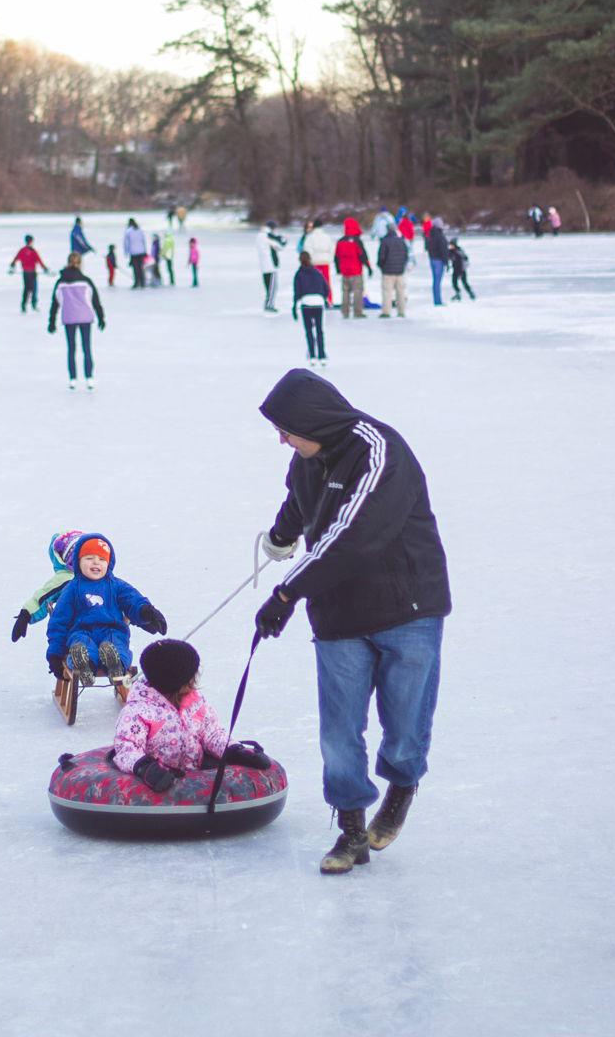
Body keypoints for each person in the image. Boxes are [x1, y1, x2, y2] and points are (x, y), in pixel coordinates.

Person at [253, 368, 451, 874]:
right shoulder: (307, 458)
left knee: (405, 725)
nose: (280, 439)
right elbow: (300, 500)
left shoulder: (380, 450)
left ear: (311, 421)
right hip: (338, 613)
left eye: (286, 429)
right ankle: (351, 830)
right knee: (339, 732)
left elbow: (353, 536)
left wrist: (286, 593)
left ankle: (401, 787)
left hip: (407, 607)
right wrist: (281, 535)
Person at [112, 640, 268, 791]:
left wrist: (234, 752)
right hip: (156, 781)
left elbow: (212, 733)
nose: (195, 679)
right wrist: (145, 768)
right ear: (175, 681)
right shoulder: (138, 711)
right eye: (192, 676)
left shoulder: (194, 703)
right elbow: (126, 747)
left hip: (194, 774)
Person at [46, 534, 167, 689]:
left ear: (109, 563)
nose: (96, 562)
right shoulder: (72, 589)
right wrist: (55, 654)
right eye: (89, 558)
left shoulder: (116, 585)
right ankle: (84, 665)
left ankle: (115, 663)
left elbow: (133, 600)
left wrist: (146, 612)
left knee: (115, 644)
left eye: (102, 559)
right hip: (81, 631)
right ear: (78, 562)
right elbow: (59, 621)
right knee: (80, 644)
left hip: (112, 630)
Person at [10, 530, 82, 643]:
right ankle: (79, 655)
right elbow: (43, 597)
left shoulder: (102, 578)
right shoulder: (66, 579)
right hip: (77, 626)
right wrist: (26, 615)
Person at [48, 251, 105, 390]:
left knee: (71, 349)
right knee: (86, 348)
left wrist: (51, 321)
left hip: (69, 317)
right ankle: (89, 378)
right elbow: (95, 300)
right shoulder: (86, 281)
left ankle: (72, 379)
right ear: (80, 264)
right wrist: (101, 318)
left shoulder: (61, 282)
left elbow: (55, 303)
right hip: (85, 317)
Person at [292, 251, 329, 367]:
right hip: (318, 302)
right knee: (319, 330)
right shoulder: (317, 272)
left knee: (309, 331)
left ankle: (312, 356)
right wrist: (323, 297)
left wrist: (294, 306)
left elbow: (297, 291)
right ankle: (322, 356)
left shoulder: (299, 274)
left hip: (306, 303)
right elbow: (325, 287)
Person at [334, 217, 372, 319]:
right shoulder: (357, 241)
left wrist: (338, 269)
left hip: (344, 271)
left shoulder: (340, 241)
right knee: (357, 291)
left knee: (345, 292)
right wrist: (369, 267)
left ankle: (345, 312)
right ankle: (357, 312)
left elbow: (336, 257)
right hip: (356, 271)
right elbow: (363, 256)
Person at [9, 235, 49, 313]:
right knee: (34, 289)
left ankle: (23, 305)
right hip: (32, 273)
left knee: (26, 289)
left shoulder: (22, 250)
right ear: (31, 241)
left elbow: (14, 260)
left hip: (25, 274)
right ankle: (34, 305)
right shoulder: (33, 251)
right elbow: (40, 261)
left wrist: (12, 266)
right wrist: (45, 269)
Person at [376, 222, 408, 318]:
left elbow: (381, 257)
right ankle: (401, 311)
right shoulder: (401, 241)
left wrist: (381, 266)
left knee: (387, 292)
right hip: (399, 271)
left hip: (387, 271)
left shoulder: (385, 241)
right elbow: (405, 255)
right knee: (400, 292)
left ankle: (386, 312)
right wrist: (402, 265)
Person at [302, 218, 335, 303]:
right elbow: (332, 249)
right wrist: (330, 258)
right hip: (325, 261)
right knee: (326, 281)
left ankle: (316, 299)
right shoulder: (327, 237)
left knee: (315, 282)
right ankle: (329, 300)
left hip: (314, 262)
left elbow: (307, 249)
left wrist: (310, 260)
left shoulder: (310, 237)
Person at [257, 220, 286, 313]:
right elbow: (280, 245)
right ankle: (269, 305)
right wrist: (281, 239)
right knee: (272, 287)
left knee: (268, 287)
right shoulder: (267, 236)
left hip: (264, 266)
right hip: (271, 266)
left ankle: (268, 304)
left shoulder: (260, 235)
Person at [425, 216, 450, 305]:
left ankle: (437, 299)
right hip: (439, 260)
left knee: (436, 281)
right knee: (437, 281)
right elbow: (444, 250)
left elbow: (427, 247)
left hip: (433, 259)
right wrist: (446, 261)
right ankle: (438, 301)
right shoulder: (440, 236)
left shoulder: (430, 235)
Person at [123, 218, 148, 288]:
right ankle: (142, 282)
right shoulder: (140, 230)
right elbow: (143, 241)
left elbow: (126, 243)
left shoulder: (128, 231)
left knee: (135, 268)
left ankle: (137, 282)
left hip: (133, 252)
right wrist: (144, 250)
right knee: (141, 267)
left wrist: (126, 252)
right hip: (141, 251)